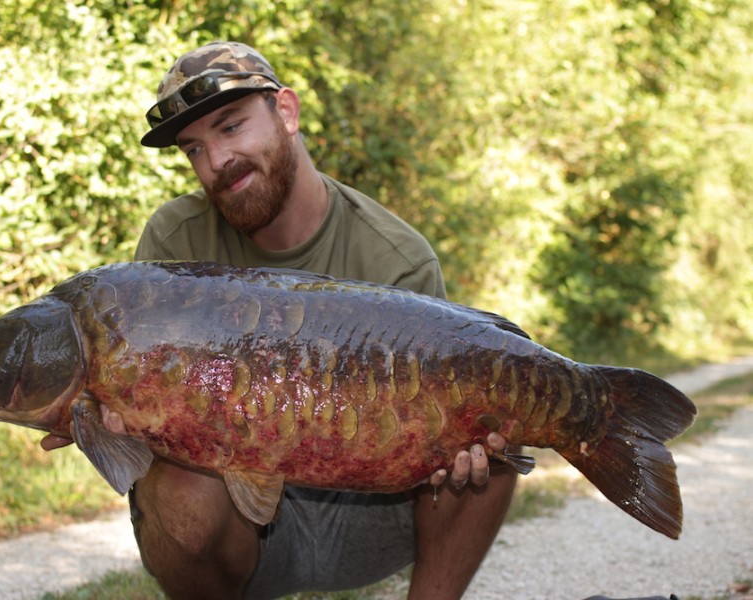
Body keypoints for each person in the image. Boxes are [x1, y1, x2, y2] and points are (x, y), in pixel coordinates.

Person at [130, 41, 516, 599]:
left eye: (231, 127)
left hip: (370, 508)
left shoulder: (396, 259)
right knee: (178, 489)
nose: (215, 162)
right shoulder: (174, 244)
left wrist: (454, 446)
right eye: (194, 149)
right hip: (241, 524)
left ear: (286, 112)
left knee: (490, 447)